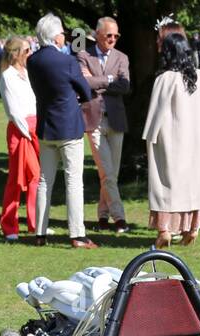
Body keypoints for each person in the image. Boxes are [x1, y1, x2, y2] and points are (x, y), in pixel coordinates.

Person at [143, 31, 200, 248]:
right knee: (193, 183)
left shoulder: (165, 79)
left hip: (171, 139)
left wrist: (150, 137)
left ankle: (165, 229)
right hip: (198, 140)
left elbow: (155, 114)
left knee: (165, 183)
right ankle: (192, 228)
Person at [28, 14, 96, 248]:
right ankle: (77, 234)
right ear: (56, 36)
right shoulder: (66, 62)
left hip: (46, 127)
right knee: (73, 181)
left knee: (45, 181)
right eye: (62, 33)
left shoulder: (32, 61)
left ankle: (40, 233)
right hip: (68, 127)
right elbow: (85, 92)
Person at [78, 17, 132, 233]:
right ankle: (119, 218)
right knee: (107, 173)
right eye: (109, 35)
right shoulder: (84, 55)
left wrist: (99, 80)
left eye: (116, 35)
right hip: (94, 121)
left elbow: (124, 86)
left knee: (110, 174)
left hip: (116, 120)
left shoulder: (122, 57)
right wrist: (110, 79)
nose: (113, 39)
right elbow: (84, 83)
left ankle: (102, 216)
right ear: (97, 34)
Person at [0, 37, 39, 241]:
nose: (29, 53)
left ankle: (36, 223)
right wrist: (28, 133)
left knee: (35, 177)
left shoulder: (28, 74)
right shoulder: (7, 77)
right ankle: (9, 225)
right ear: (15, 53)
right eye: (26, 50)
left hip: (35, 127)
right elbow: (14, 111)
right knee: (16, 179)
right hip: (21, 130)